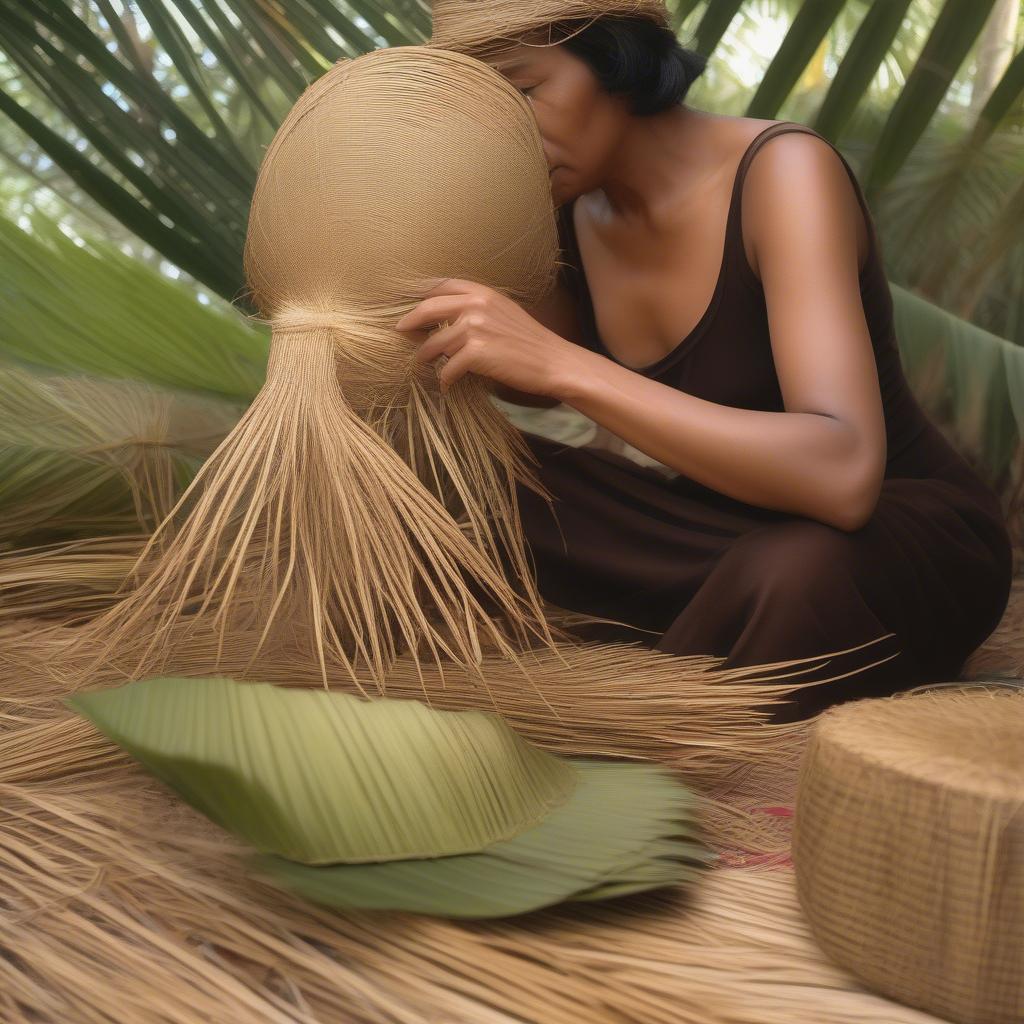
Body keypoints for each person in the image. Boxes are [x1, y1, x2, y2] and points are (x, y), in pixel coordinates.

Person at [399, 11, 1014, 722]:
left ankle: (644, 699)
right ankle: (712, 636)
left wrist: (568, 368)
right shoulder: (564, 208)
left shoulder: (782, 173)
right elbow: (515, 380)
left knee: (791, 576)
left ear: (614, 57)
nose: (504, 131)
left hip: (891, 530)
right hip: (716, 530)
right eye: (482, 113)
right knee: (448, 479)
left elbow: (843, 475)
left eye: (524, 91)